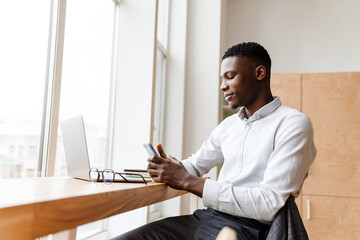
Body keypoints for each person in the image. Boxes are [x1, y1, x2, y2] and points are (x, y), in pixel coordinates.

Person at [114, 42, 317, 240]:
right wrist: (168, 168)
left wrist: (185, 179)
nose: (222, 86)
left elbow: (268, 203)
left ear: (260, 73)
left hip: (249, 229)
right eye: (222, 79)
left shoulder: (293, 124)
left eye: (230, 77)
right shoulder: (228, 126)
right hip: (206, 218)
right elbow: (195, 165)